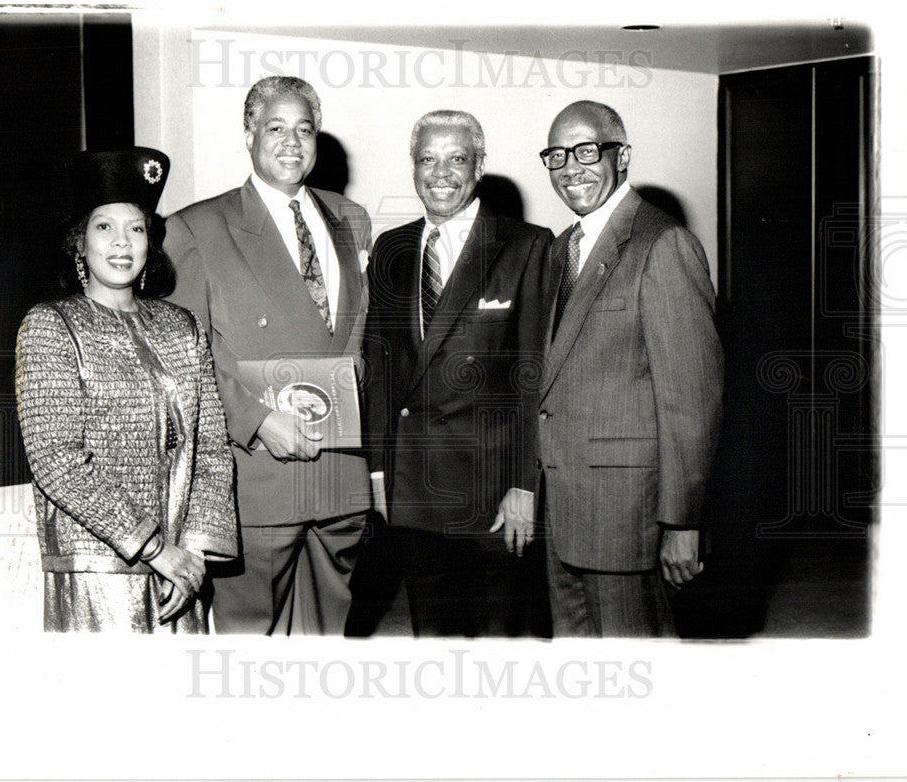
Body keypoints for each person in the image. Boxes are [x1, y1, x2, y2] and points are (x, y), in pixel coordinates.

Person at [164, 76, 373, 635]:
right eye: (275, 127)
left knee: (329, 642)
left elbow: (360, 335)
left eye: (304, 128)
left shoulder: (350, 218)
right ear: (249, 134)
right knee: (249, 643)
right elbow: (189, 356)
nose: (291, 141)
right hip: (257, 478)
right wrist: (256, 423)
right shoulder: (195, 227)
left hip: (339, 479)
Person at [15, 146, 237, 633]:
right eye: (104, 227)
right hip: (98, 575)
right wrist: (155, 549)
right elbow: (56, 459)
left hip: (180, 573)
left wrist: (192, 551)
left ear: (149, 243)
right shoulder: (51, 326)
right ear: (80, 242)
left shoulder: (182, 327)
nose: (121, 243)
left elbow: (213, 448)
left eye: (135, 228)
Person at [360, 109, 553, 637]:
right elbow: (381, 370)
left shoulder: (527, 245)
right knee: (434, 634)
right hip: (414, 486)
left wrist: (524, 485)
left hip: (492, 488)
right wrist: (379, 472)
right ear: (413, 166)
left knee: (498, 638)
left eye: (457, 159)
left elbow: (533, 378)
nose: (440, 173)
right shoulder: (392, 248)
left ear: (480, 166)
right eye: (428, 159)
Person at [537, 100, 724, 637]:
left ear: (623, 157)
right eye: (557, 155)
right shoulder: (561, 249)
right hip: (565, 510)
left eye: (588, 150)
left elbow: (692, 398)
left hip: (628, 518)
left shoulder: (663, 244)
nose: (571, 167)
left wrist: (682, 521)